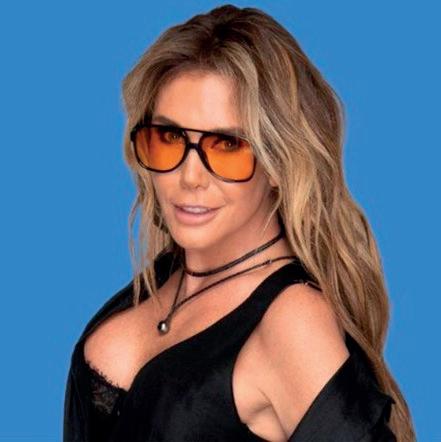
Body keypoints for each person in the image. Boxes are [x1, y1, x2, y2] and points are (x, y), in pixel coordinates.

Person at [63, 4, 416, 441]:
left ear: (280, 162)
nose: (189, 177)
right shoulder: (171, 276)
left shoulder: (292, 321)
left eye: (227, 144)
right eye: (170, 137)